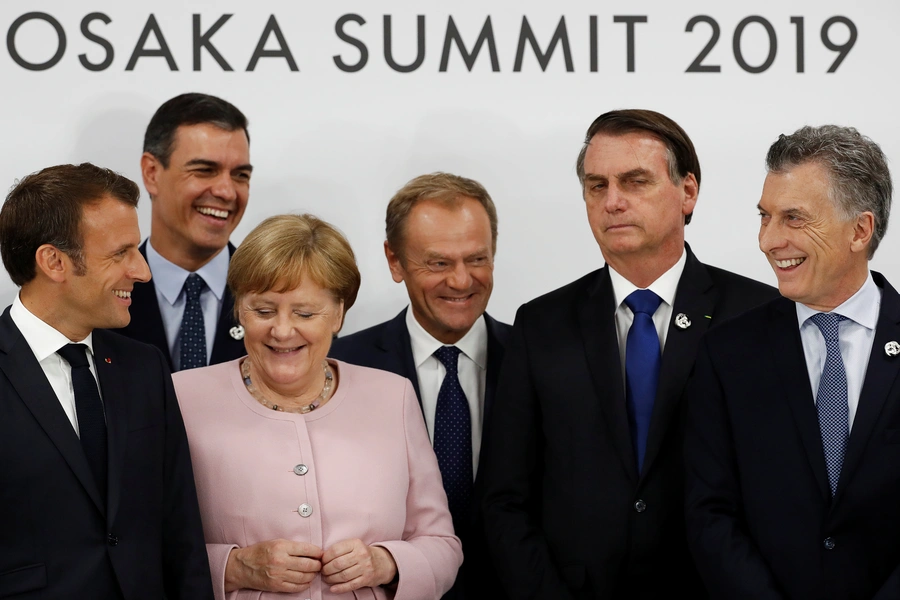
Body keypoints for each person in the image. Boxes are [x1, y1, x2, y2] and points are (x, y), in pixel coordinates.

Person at [481, 109, 778, 599]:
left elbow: (784, 493)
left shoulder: (759, 315)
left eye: (635, 181)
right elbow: (504, 500)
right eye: (597, 186)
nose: (612, 202)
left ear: (687, 192)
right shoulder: (542, 324)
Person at [173, 214, 462, 600]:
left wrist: (387, 563)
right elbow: (145, 543)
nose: (282, 330)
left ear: (339, 313)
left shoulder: (393, 396)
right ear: (239, 310)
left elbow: (442, 544)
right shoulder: (181, 397)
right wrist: (234, 567)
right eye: (263, 310)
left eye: (305, 313)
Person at [685, 125, 900, 599]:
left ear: (860, 230)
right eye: (765, 217)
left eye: (794, 219)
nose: (768, 240)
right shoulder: (728, 353)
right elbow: (709, 513)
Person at [0, 163, 213, 599]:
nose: (143, 271)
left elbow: (180, 531)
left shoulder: (145, 368)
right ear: (54, 261)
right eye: (121, 253)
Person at [330, 172, 511, 599]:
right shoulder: (342, 367)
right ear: (395, 261)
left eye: (478, 259)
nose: (462, 281)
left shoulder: (537, 360)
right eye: (439, 263)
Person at [119, 92, 253, 371]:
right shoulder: (101, 296)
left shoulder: (280, 296)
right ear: (152, 173)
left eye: (240, 175)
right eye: (205, 170)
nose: (227, 191)